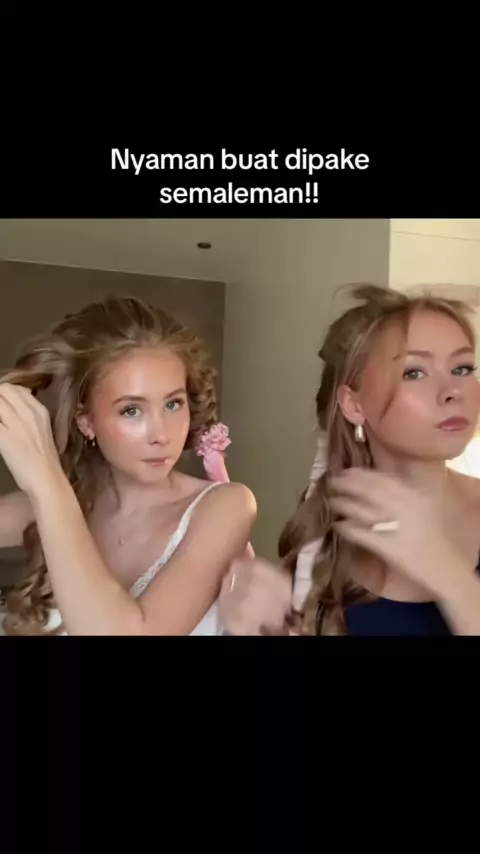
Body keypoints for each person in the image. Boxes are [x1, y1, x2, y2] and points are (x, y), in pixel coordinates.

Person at [220, 284, 480, 636]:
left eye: (463, 368)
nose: (453, 391)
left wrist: (450, 577)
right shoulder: (324, 540)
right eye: (414, 372)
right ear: (354, 405)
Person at [0, 295, 256, 635]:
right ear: (86, 422)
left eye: (173, 404)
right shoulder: (61, 500)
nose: (161, 435)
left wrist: (45, 479)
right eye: (131, 410)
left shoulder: (226, 506)